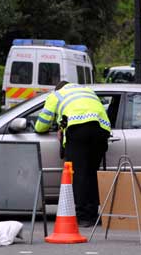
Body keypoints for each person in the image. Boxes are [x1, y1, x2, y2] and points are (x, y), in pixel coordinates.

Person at [34, 81, 111, 227]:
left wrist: (42, 128)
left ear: (58, 88)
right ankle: (93, 214)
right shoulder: (87, 91)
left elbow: (42, 124)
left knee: (80, 175)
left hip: (79, 132)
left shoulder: (56, 95)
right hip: (101, 131)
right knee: (92, 173)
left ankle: (83, 218)